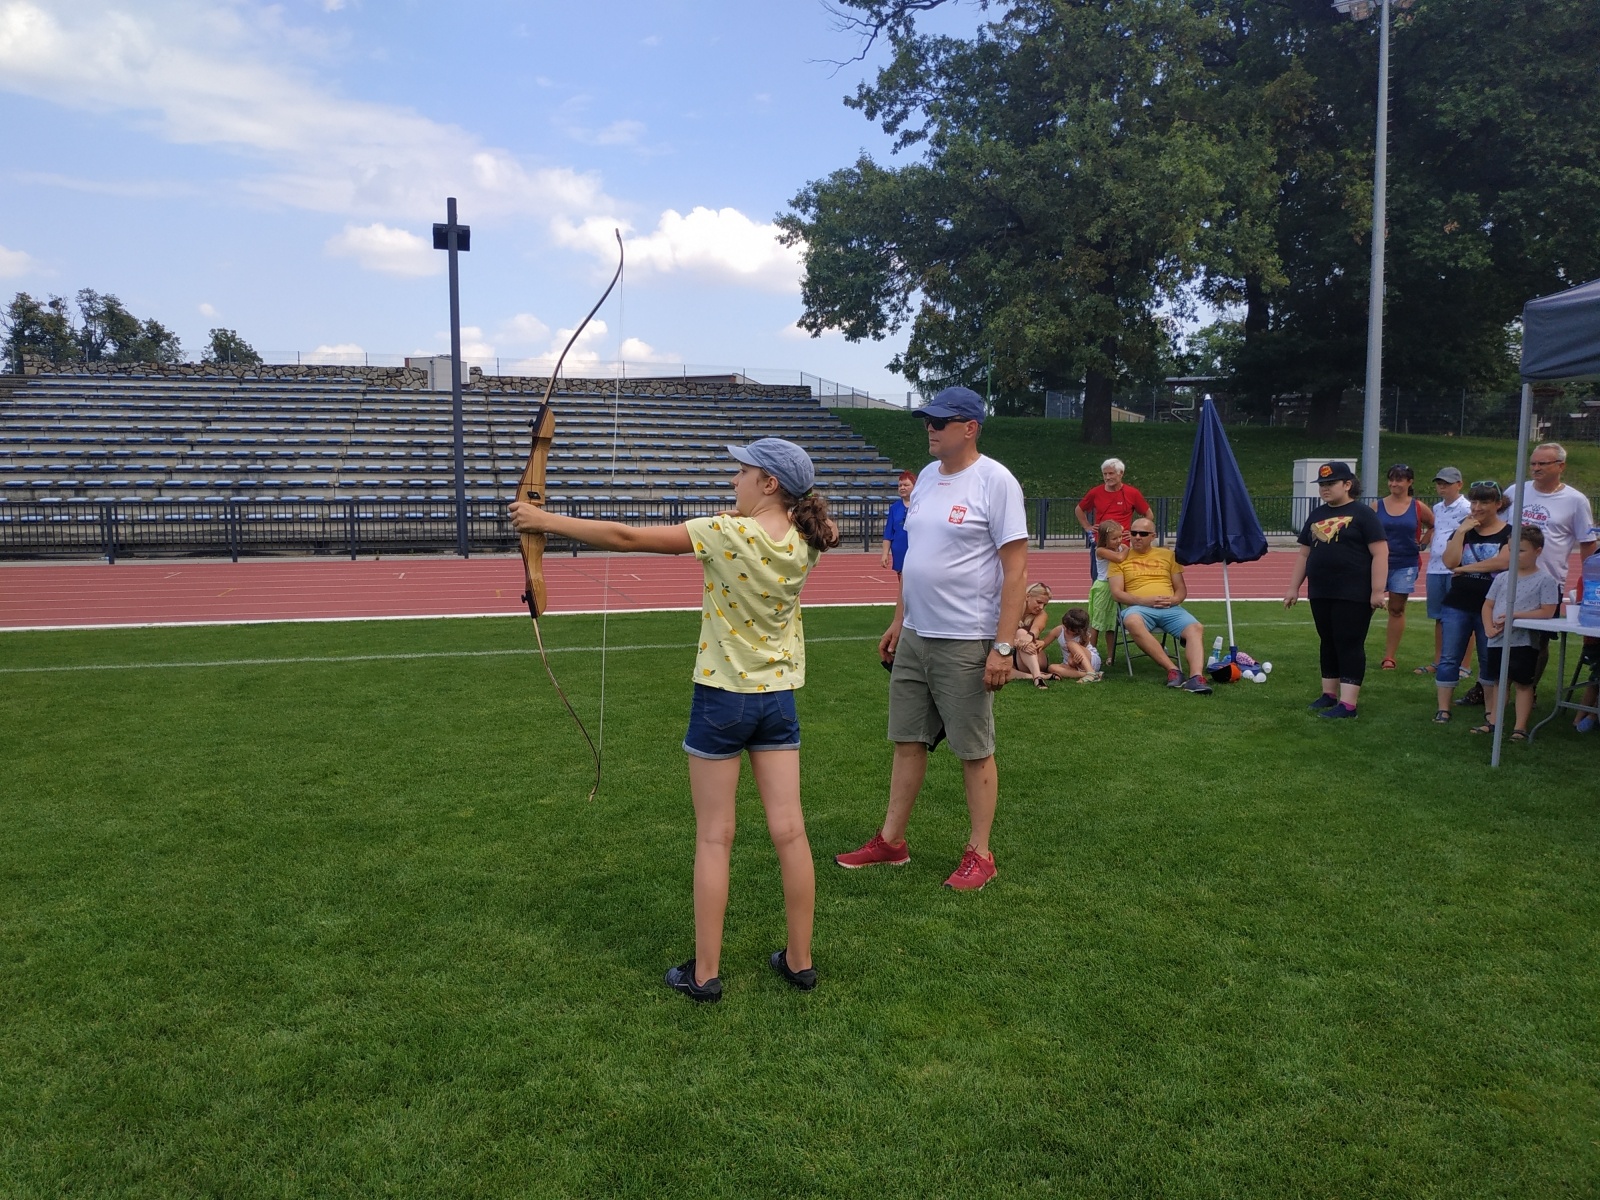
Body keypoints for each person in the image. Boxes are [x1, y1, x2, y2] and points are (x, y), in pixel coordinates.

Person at [509, 438, 840, 1004]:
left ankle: (705, 974)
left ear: (769, 485)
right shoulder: (808, 541)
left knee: (715, 835)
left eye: (743, 471)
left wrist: (542, 519)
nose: (732, 479)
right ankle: (799, 961)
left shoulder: (726, 532)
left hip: (722, 699)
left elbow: (627, 537)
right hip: (778, 700)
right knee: (791, 832)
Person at [836, 385, 1027, 891]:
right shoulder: (923, 478)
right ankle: (891, 841)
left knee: (973, 748)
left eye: (941, 421)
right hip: (917, 634)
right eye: (928, 420)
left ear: (971, 427)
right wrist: (900, 620)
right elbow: (913, 560)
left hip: (967, 637)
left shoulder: (995, 481)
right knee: (907, 740)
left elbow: (1016, 571)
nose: (930, 428)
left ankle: (980, 853)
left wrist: (1003, 646)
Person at [1283, 461, 1388, 719]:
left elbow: (1380, 552)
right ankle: (1329, 694)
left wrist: (1377, 590)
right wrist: (1293, 587)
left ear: (1347, 484)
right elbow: (1304, 555)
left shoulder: (1364, 514)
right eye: (1322, 485)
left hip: (1353, 592)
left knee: (1349, 642)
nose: (1324, 489)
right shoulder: (1317, 515)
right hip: (1321, 591)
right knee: (1327, 641)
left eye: (1330, 484)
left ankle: (1348, 704)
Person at [1500, 442, 1596, 684]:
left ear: (1560, 466)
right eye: (1533, 463)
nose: (1536, 468)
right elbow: (1499, 528)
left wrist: (1588, 583)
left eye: (1543, 463)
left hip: (1548, 581)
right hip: (1508, 577)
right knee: (1500, 635)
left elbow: (1587, 543)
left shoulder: (1575, 500)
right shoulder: (1515, 492)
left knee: (1538, 640)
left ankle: (1528, 687)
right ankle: (1495, 688)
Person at [1433, 480, 1511, 726]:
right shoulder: (1464, 530)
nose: (1477, 507)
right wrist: (1460, 533)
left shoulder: (1509, 532)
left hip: (1491, 604)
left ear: (1497, 504)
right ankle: (1443, 709)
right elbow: (1449, 561)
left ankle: (1490, 711)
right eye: (1474, 501)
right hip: (1458, 602)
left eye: (1484, 502)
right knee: (1449, 657)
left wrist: (1464, 569)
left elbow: (1501, 562)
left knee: (1488, 657)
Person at [1107, 517, 1214, 693]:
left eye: (1143, 534)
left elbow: (1181, 590)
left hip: (1169, 607)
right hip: (1139, 608)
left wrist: (1174, 600)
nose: (1137, 537)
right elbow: (1116, 593)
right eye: (1133, 533)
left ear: (1153, 536)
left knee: (1196, 627)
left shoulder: (1168, 555)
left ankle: (1196, 678)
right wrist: (1143, 601)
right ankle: (1173, 670)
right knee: (1132, 622)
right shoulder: (1120, 559)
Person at [1482, 525, 1562, 741]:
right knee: (1500, 682)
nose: (1515, 555)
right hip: (1498, 640)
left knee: (1523, 684)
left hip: (1523, 641)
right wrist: (1488, 627)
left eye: (1521, 550)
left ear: (1537, 551)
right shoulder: (1502, 578)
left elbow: (1547, 611)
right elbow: (1488, 605)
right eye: (1511, 549)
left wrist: (1516, 616)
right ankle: (1494, 722)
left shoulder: (1545, 580)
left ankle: (1520, 727)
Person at [1372, 464, 1433, 671]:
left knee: (1396, 609)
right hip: (1376, 564)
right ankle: (1353, 649)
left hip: (1405, 563)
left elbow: (1434, 524)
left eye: (1399, 480)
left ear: (1409, 482)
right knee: (1366, 606)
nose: (1393, 484)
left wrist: (1423, 543)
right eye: (1391, 479)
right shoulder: (1376, 506)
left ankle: (1389, 656)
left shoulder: (1417, 507)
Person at [1419, 467, 1472, 676]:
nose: (1442, 487)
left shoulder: (1468, 508)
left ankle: (1464, 665)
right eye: (1439, 483)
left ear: (1459, 484)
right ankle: (1439, 660)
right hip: (1435, 568)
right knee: (1439, 617)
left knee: (1464, 617)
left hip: (1457, 569)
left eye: (1447, 484)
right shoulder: (1437, 508)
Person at [1074, 458, 1150, 586]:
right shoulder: (1096, 492)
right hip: (1101, 544)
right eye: (1105, 474)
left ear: (1121, 473)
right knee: (1099, 579)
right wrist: (1087, 527)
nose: (1107, 477)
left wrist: (1135, 533)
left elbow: (1149, 515)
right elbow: (1079, 509)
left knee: (1125, 581)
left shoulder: (1132, 493)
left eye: (1111, 473)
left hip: (1123, 544)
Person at [1088, 518, 1127, 664]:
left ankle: (1110, 656)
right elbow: (1119, 558)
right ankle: (1091, 652)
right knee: (1097, 623)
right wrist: (1127, 548)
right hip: (1103, 588)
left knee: (1111, 624)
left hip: (1116, 587)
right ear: (1105, 539)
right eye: (1114, 538)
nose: (1118, 541)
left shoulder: (1121, 547)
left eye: (1120, 537)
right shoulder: (1101, 550)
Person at [1008, 583, 1054, 688]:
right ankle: (1038, 676)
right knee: (1003, 671)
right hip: (1014, 654)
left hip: (1035, 657)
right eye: (1039, 602)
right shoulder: (1011, 610)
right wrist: (1016, 643)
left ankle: (1038, 677)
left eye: (1044, 605)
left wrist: (1027, 638)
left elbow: (1036, 629)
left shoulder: (1042, 614)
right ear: (1028, 597)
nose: (1041, 607)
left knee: (1021, 633)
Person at [1045, 607, 1101, 682]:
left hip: (1089, 661)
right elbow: (1044, 643)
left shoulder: (1084, 636)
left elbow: (1076, 653)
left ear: (1079, 630)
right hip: (1072, 663)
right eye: (1065, 626)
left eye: (1070, 630)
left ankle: (1090, 672)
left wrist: (1072, 662)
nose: (1066, 630)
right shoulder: (1058, 630)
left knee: (1071, 644)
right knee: (1051, 668)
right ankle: (1090, 675)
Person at [880, 469, 915, 573]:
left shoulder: (923, 505)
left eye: (906, 485)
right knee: (902, 585)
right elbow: (888, 534)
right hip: (899, 551)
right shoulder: (894, 508)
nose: (902, 488)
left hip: (917, 551)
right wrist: (885, 554)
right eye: (900, 485)